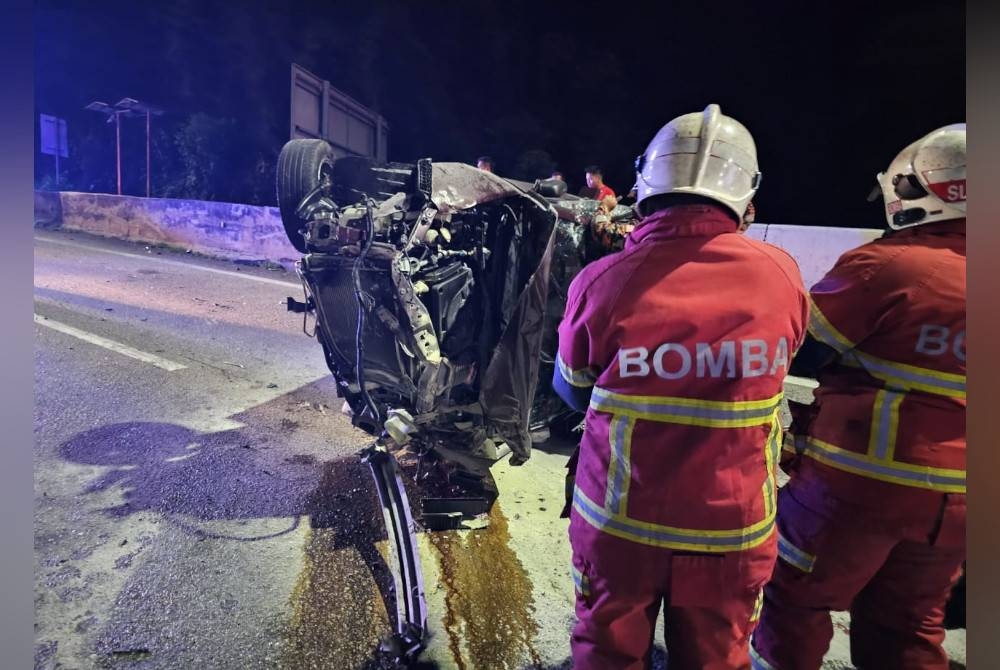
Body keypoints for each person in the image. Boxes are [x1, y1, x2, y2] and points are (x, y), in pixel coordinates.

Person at [553, 103, 808, 669]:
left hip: (620, 525)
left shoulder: (604, 280)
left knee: (606, 655)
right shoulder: (781, 274)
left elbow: (571, 388)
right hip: (732, 528)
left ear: (646, 183)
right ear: (746, 196)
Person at [750, 124, 967, 670]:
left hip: (861, 483)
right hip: (963, 501)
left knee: (794, 598)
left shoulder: (893, 265)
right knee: (911, 625)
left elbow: (798, 348)